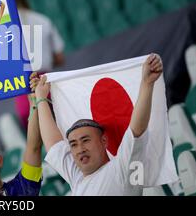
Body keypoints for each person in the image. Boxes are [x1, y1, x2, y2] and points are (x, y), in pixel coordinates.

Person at [31, 54, 163, 195]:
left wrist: (147, 84)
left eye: (85, 140)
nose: (80, 149)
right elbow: (53, 144)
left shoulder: (122, 168)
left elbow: (137, 129)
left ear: (104, 141)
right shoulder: (76, 177)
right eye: (73, 144)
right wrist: (40, 98)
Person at [10, 0, 65, 129]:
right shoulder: (43, 19)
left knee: (35, 136)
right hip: (47, 82)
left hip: (24, 86)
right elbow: (60, 57)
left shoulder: (5, 26)